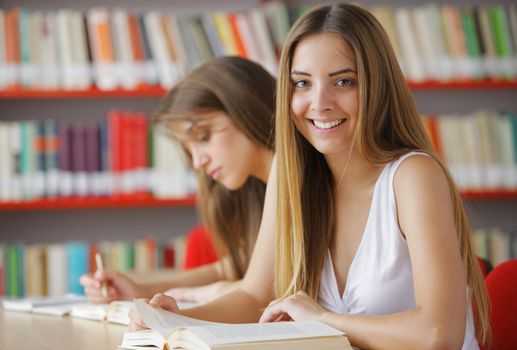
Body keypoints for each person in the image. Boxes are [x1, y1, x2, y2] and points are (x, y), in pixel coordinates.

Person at [131, 3, 490, 349]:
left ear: (377, 87)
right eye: (302, 84)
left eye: (344, 81)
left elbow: (438, 335)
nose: (319, 103)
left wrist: (322, 318)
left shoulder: (413, 177)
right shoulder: (291, 180)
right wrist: (178, 319)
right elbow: (254, 296)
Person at [80, 56, 275, 304]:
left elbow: (263, 289)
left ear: (247, 109)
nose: (197, 162)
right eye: (188, 149)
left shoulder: (297, 179)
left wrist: (202, 294)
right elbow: (233, 267)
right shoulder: (258, 189)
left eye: (203, 137)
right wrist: (142, 290)